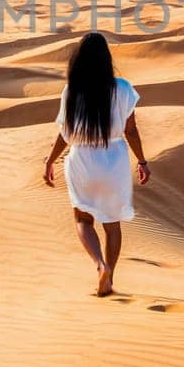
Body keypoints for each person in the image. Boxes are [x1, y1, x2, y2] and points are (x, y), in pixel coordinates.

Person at [42, 32, 152, 296]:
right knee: (112, 224)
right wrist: (142, 161)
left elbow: (66, 133)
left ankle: (99, 264)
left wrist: (50, 160)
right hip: (113, 160)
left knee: (83, 219)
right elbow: (132, 130)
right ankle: (110, 276)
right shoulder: (123, 88)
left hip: (82, 160)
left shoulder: (72, 90)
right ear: (106, 59)